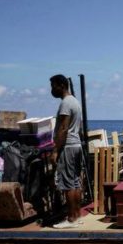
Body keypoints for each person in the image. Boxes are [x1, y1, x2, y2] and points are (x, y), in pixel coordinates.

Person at [49, 74, 84, 229]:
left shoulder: (65, 103)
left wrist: (55, 150)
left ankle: (70, 219)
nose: (52, 89)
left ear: (61, 85)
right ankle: (77, 215)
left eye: (53, 86)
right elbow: (79, 126)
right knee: (75, 182)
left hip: (68, 147)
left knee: (68, 184)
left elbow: (63, 128)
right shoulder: (75, 102)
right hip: (77, 145)